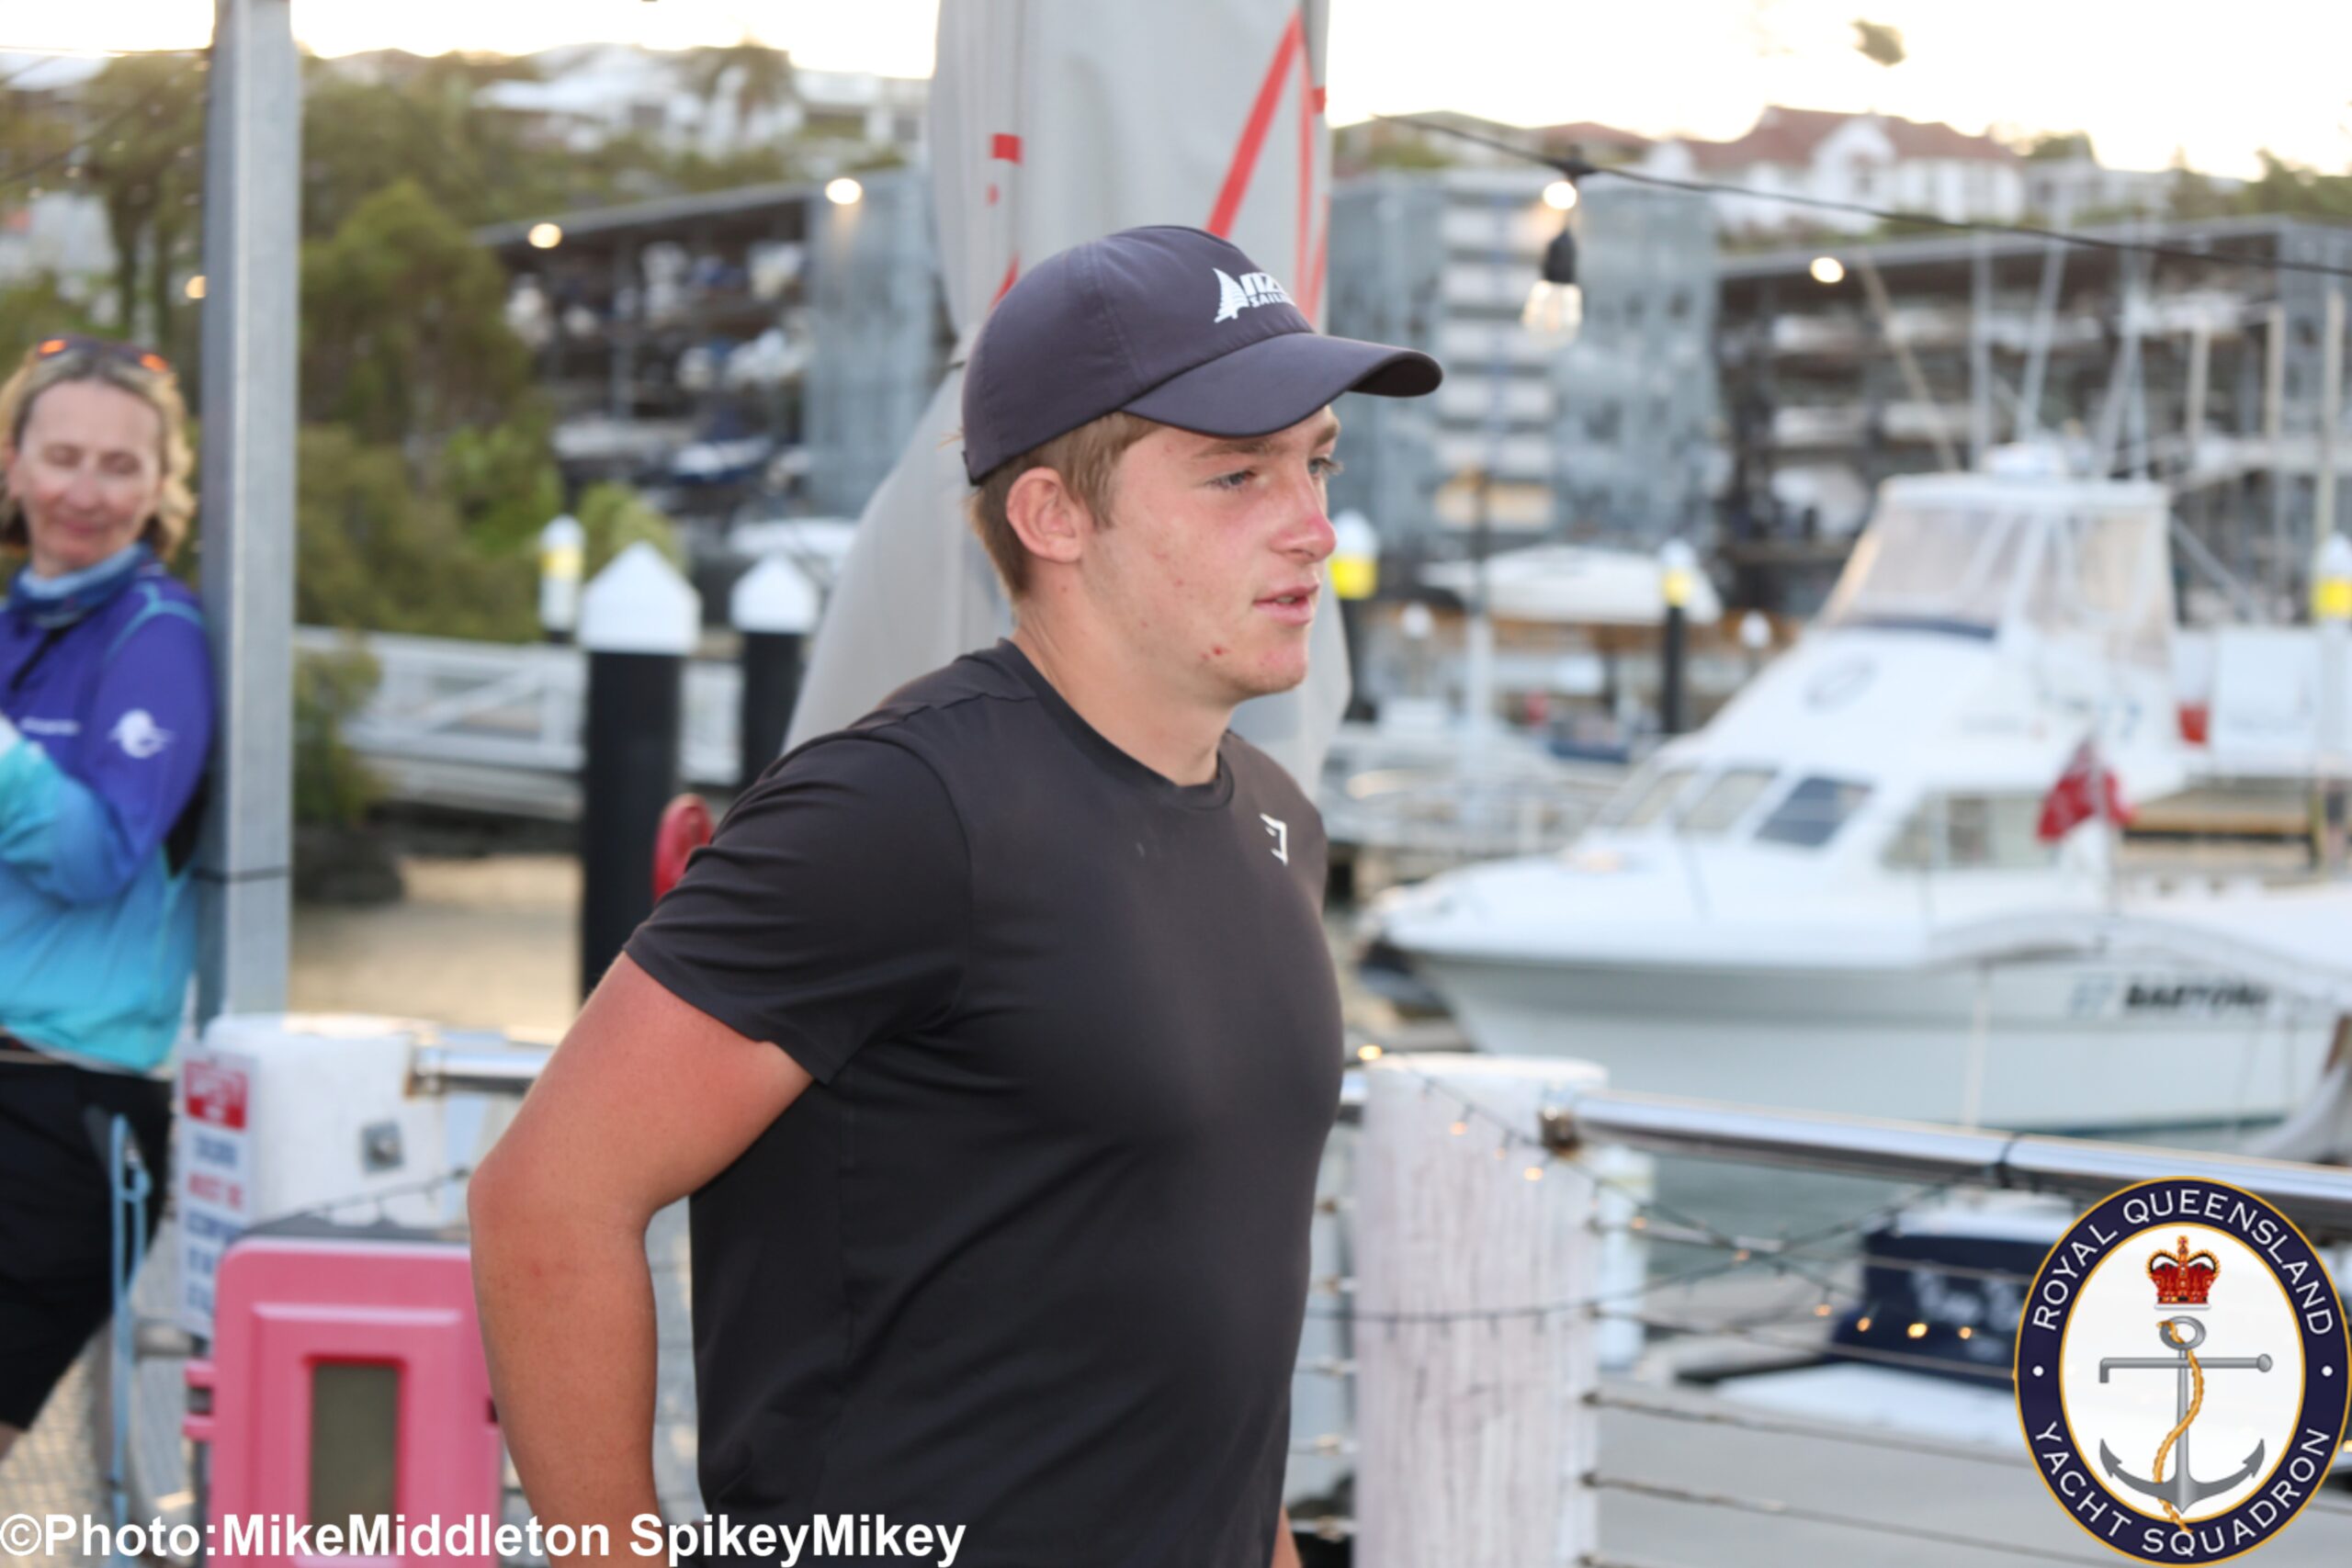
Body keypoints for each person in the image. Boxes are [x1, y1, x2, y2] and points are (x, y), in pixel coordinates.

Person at [469, 225, 1441, 1566]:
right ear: (1053, 516)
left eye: (1315, 463)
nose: (1312, 526)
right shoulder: (898, 811)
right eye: (1236, 474)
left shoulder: (1277, 822)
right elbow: (546, 1198)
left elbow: (1203, 1350)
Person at [0, 334, 213, 1461]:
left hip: (61, 1110)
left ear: (161, 484)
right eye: (62, 456)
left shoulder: (157, 637)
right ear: (12, 462)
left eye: (120, 465)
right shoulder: (15, 625)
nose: (84, 492)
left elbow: (93, 858)